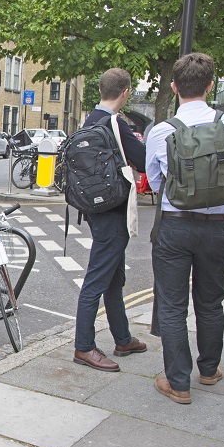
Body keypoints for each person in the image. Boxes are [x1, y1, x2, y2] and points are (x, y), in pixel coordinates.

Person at [145, 52, 224, 404]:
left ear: (173, 88)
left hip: (174, 226)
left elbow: (156, 184)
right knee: (211, 301)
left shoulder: (161, 131)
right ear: (211, 84)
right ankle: (209, 370)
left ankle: (178, 382)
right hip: (217, 226)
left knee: (172, 306)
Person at [73, 68, 147, 373]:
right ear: (126, 92)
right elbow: (142, 161)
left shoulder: (88, 121)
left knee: (114, 280)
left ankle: (123, 338)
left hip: (93, 209)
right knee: (96, 280)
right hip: (114, 212)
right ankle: (84, 346)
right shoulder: (117, 124)